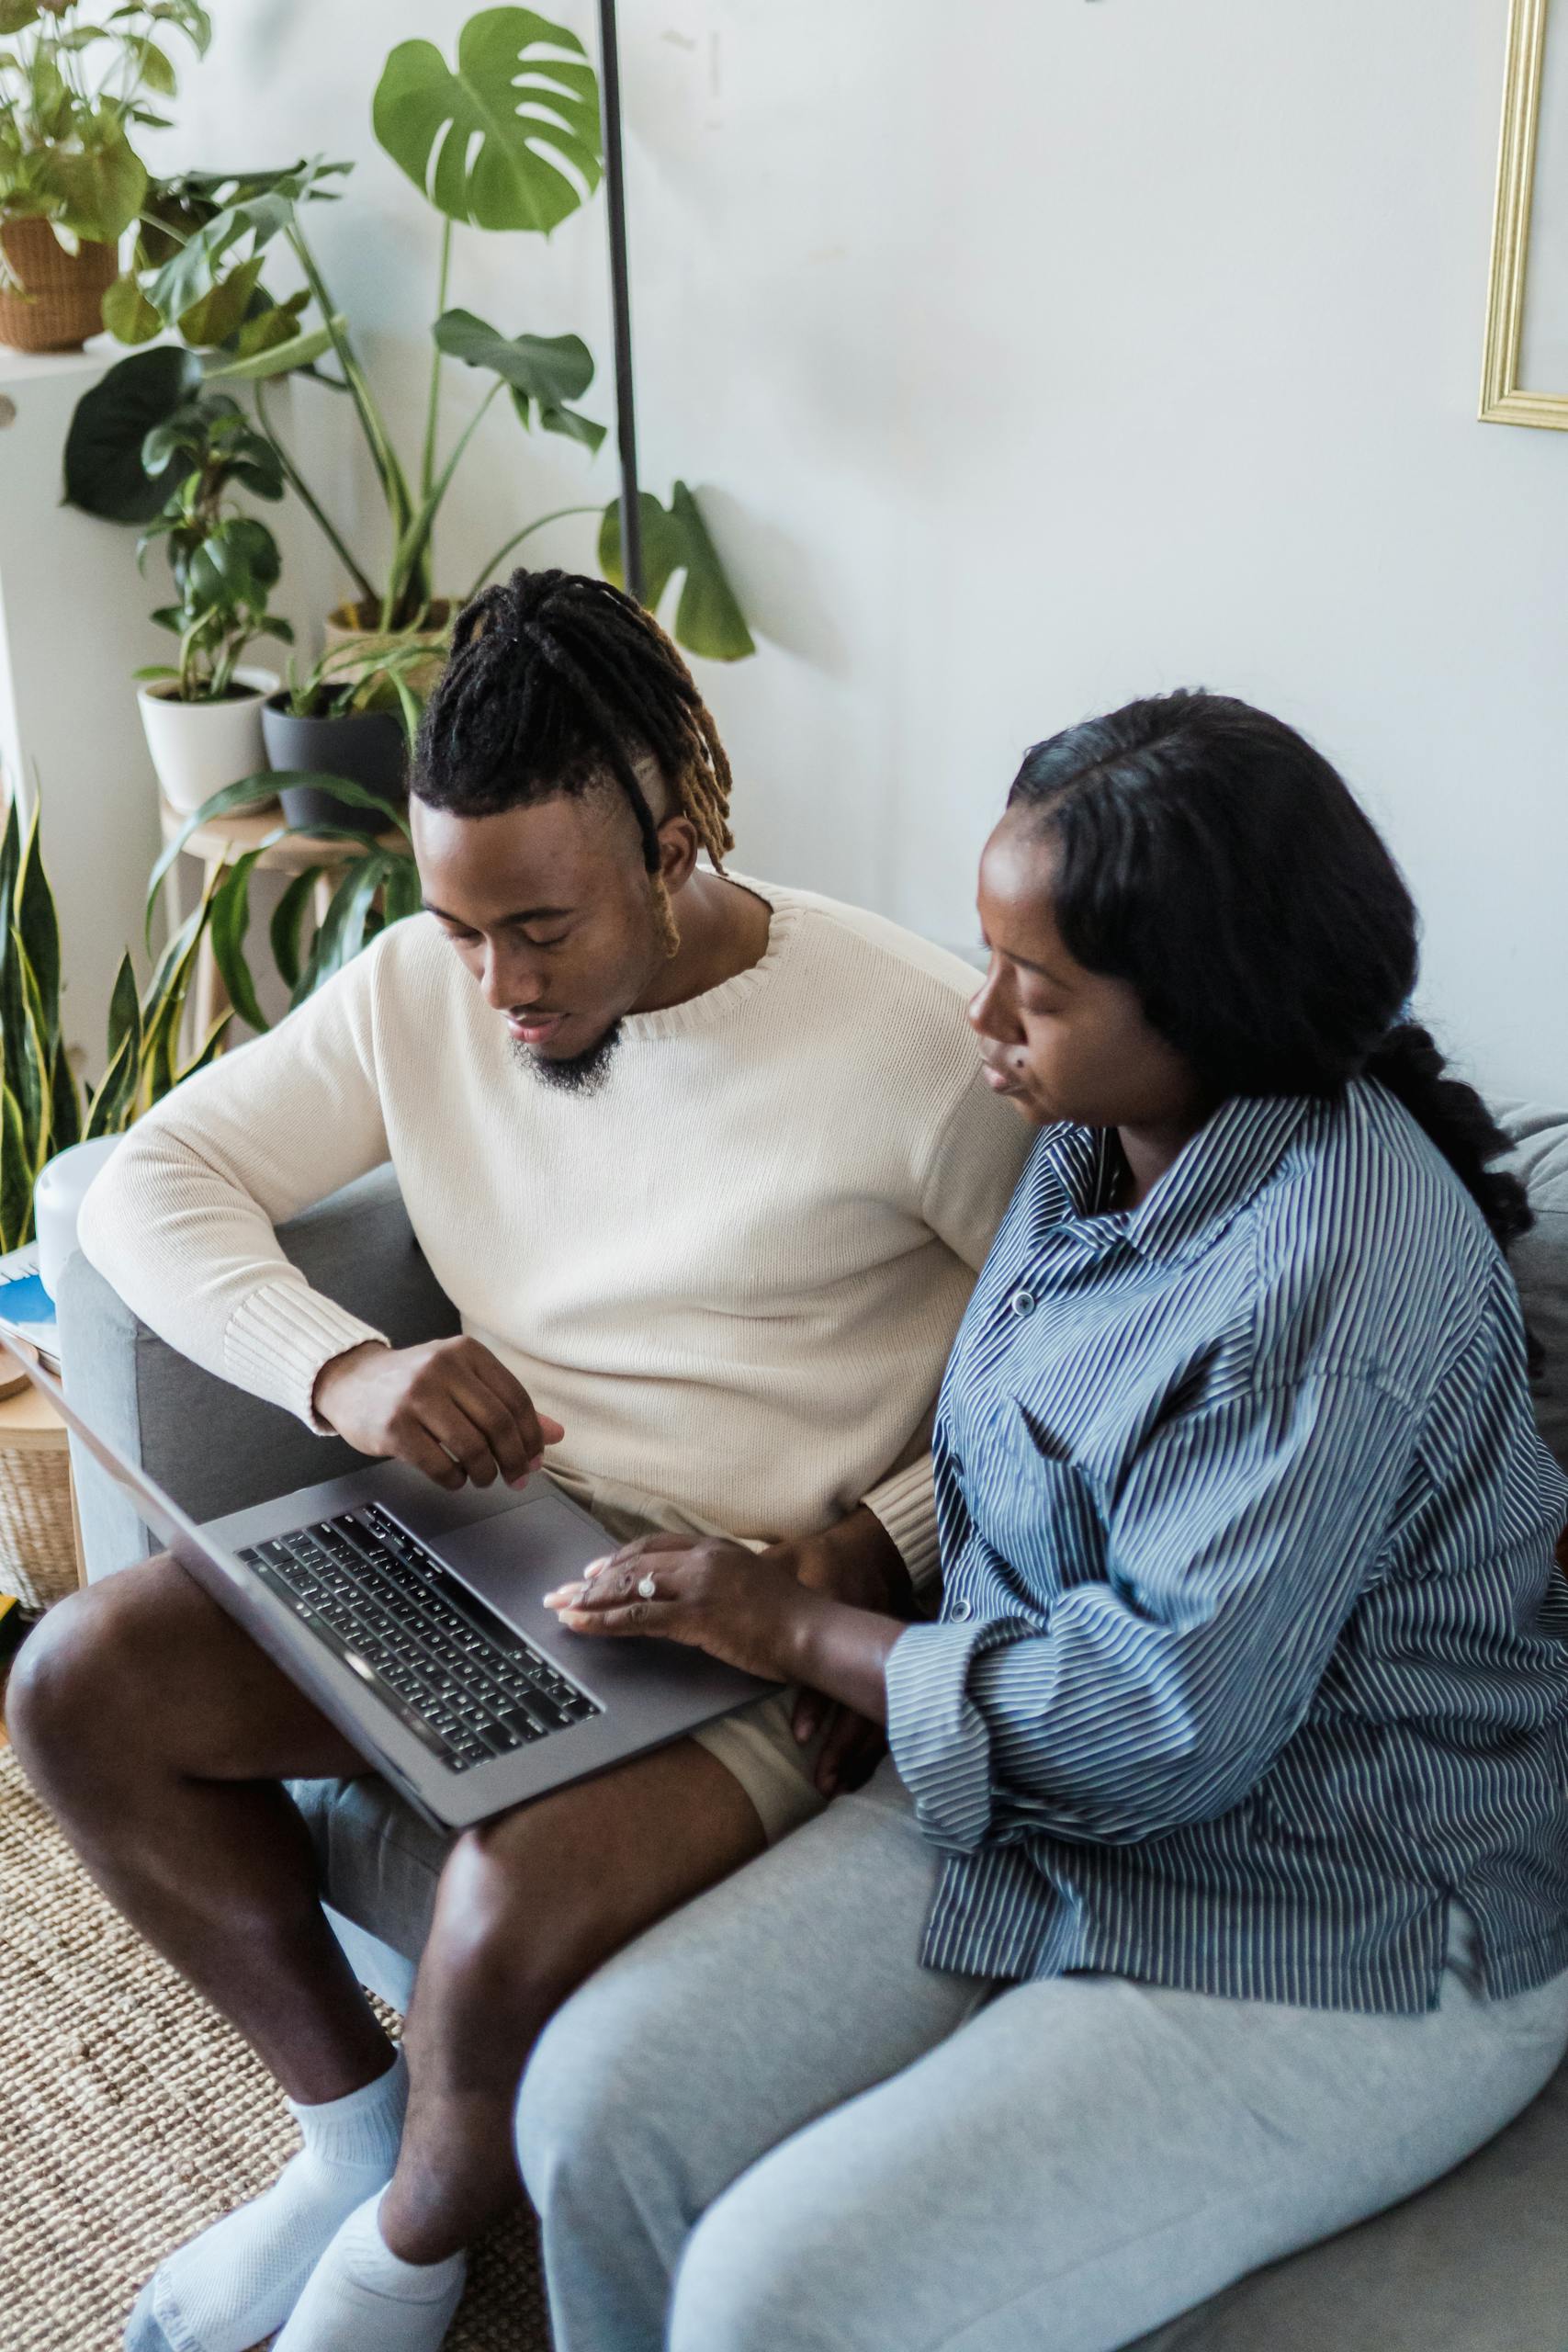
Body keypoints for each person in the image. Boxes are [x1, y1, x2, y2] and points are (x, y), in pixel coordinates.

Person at [6, 567, 1029, 2352]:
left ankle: (402, 2257)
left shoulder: (917, 1046)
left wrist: (873, 1547)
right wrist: (346, 1366)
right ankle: (346, 2139)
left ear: (680, 830)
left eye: (538, 928)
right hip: (470, 1535)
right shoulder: (425, 983)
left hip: (726, 1602)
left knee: (495, 1921)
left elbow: (1066, 1376)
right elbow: (149, 1183)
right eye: (459, 926)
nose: (493, 984)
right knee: (79, 1681)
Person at [516, 689, 1568, 2352]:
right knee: (597, 2113)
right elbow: (1036, 1480)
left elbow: (1166, 1726)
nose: (982, 1015)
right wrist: (868, 1585)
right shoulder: (1094, 1148)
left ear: (1211, 1004)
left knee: (777, 2298)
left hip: (1331, 1905)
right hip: (1041, 1798)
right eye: (989, 953)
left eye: (1041, 987)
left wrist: (801, 1633)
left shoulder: (1343, 1273)